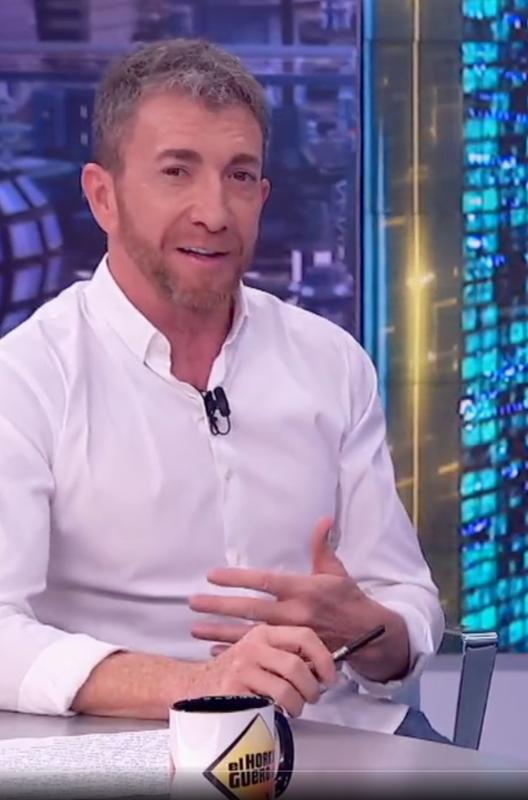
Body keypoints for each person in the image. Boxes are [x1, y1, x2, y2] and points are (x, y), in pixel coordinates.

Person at [0, 39, 448, 743]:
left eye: (239, 176)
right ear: (103, 196)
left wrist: (368, 630)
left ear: (262, 196)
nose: (214, 212)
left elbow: (406, 605)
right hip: (137, 753)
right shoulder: (27, 379)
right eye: (176, 171)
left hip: (340, 735)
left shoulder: (330, 361)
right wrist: (195, 686)